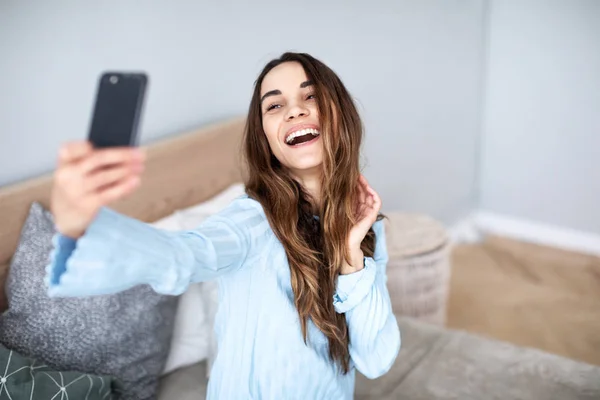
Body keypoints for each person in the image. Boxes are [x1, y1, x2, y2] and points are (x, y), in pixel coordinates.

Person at [47, 52, 401, 399]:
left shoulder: (366, 227)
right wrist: (79, 225)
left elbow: (375, 359)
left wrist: (351, 255)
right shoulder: (251, 221)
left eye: (311, 96)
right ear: (265, 137)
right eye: (275, 106)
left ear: (342, 114)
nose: (295, 109)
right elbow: (183, 255)